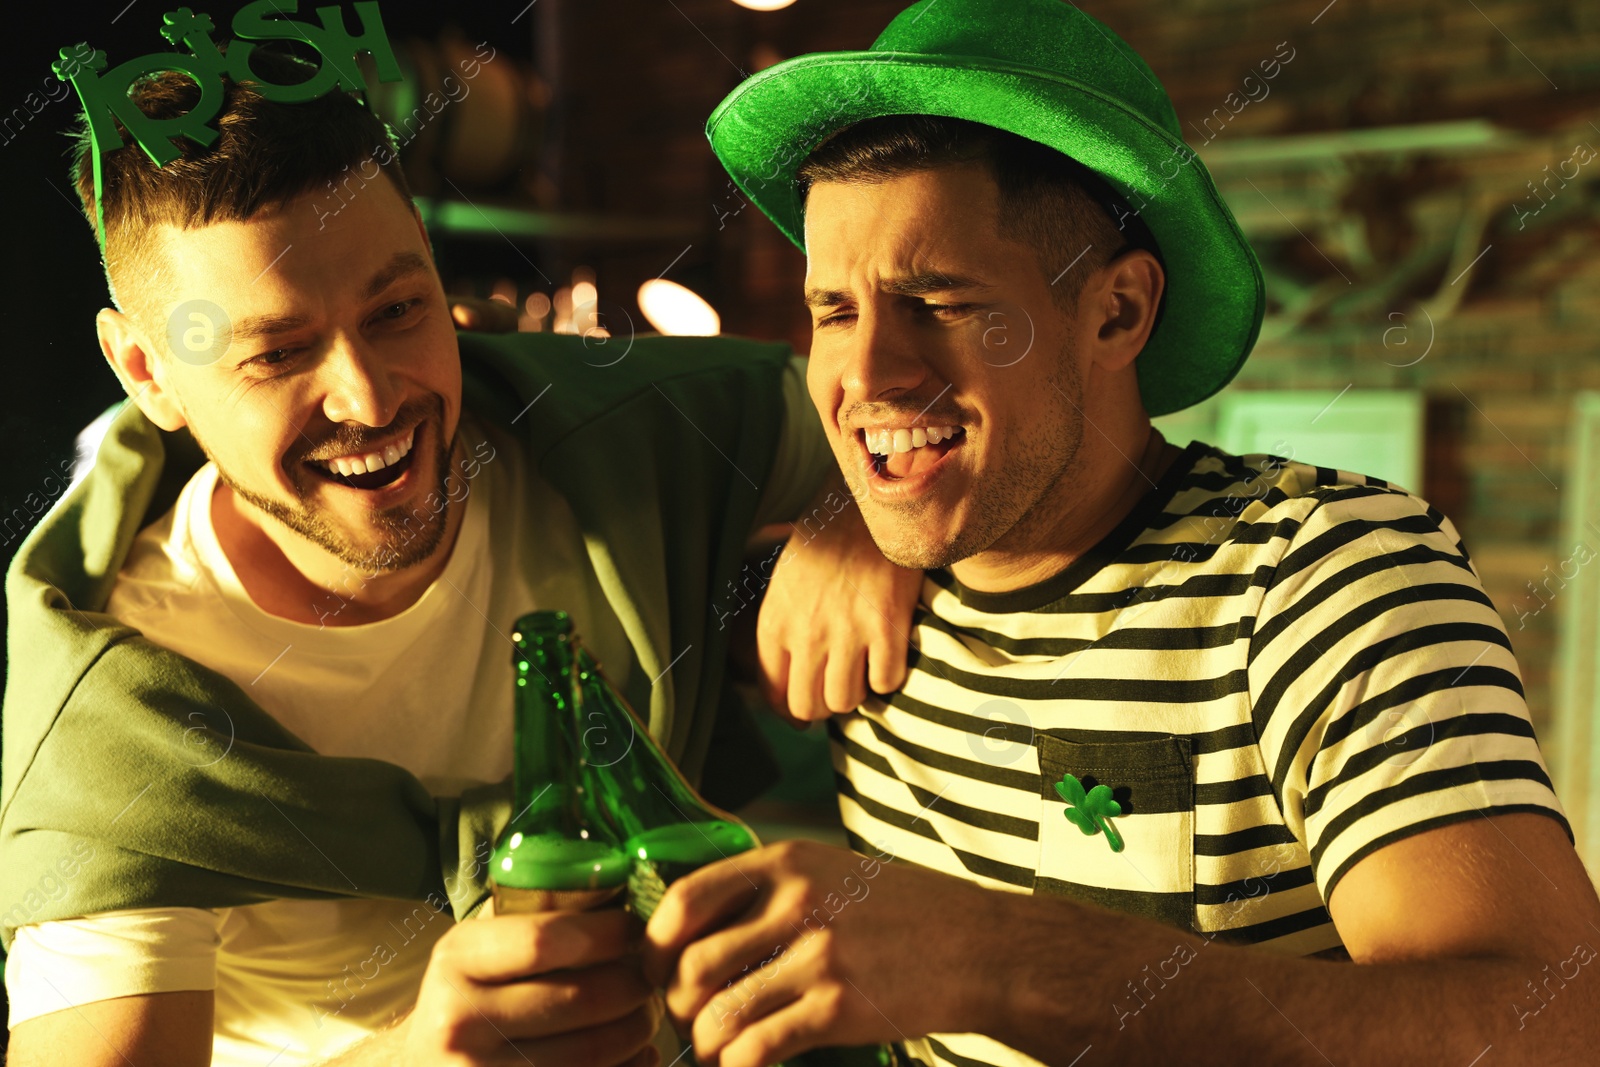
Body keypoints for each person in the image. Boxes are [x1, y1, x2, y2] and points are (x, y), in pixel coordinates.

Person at [644, 1, 1600, 1064]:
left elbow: (1551, 1022)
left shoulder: (1324, 574)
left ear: (1116, 312)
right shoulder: (844, 592)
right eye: (834, 311)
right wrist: (843, 522)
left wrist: (998, 958)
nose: (864, 375)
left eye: (941, 301)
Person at [0, 12, 915, 1067]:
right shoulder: (117, 721)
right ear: (149, 374)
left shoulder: (620, 432)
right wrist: (421, 1052)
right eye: (277, 352)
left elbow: (913, 409)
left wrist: (861, 515)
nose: (369, 394)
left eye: (396, 309)